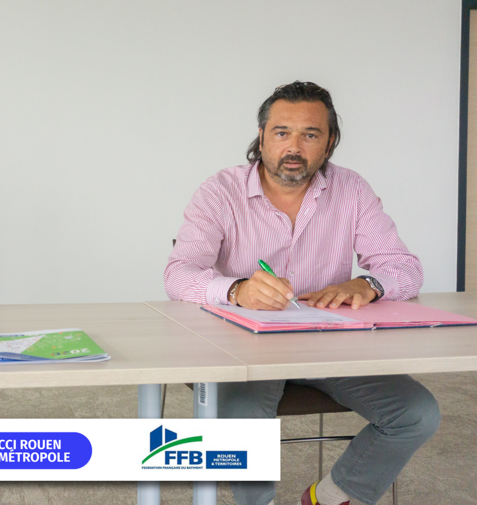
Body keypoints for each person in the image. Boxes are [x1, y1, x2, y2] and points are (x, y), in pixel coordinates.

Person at [164, 81, 440, 505]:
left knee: (417, 413)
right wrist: (237, 289)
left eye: (310, 134)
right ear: (261, 138)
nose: (294, 146)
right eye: (281, 132)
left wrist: (366, 284)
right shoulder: (220, 191)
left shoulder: (351, 190)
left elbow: (405, 267)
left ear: (329, 143)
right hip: (244, 347)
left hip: (327, 343)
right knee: (241, 421)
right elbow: (178, 274)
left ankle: (328, 498)